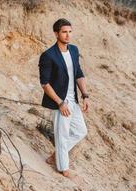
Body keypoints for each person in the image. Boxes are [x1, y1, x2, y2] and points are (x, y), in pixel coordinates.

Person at [38, 18, 89, 179]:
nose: (68, 35)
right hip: (60, 102)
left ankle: (56, 156)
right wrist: (60, 103)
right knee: (62, 135)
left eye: (69, 32)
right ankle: (63, 169)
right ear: (56, 33)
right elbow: (45, 83)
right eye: (64, 32)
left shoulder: (73, 50)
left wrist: (85, 95)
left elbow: (78, 74)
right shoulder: (48, 55)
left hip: (73, 100)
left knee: (81, 131)